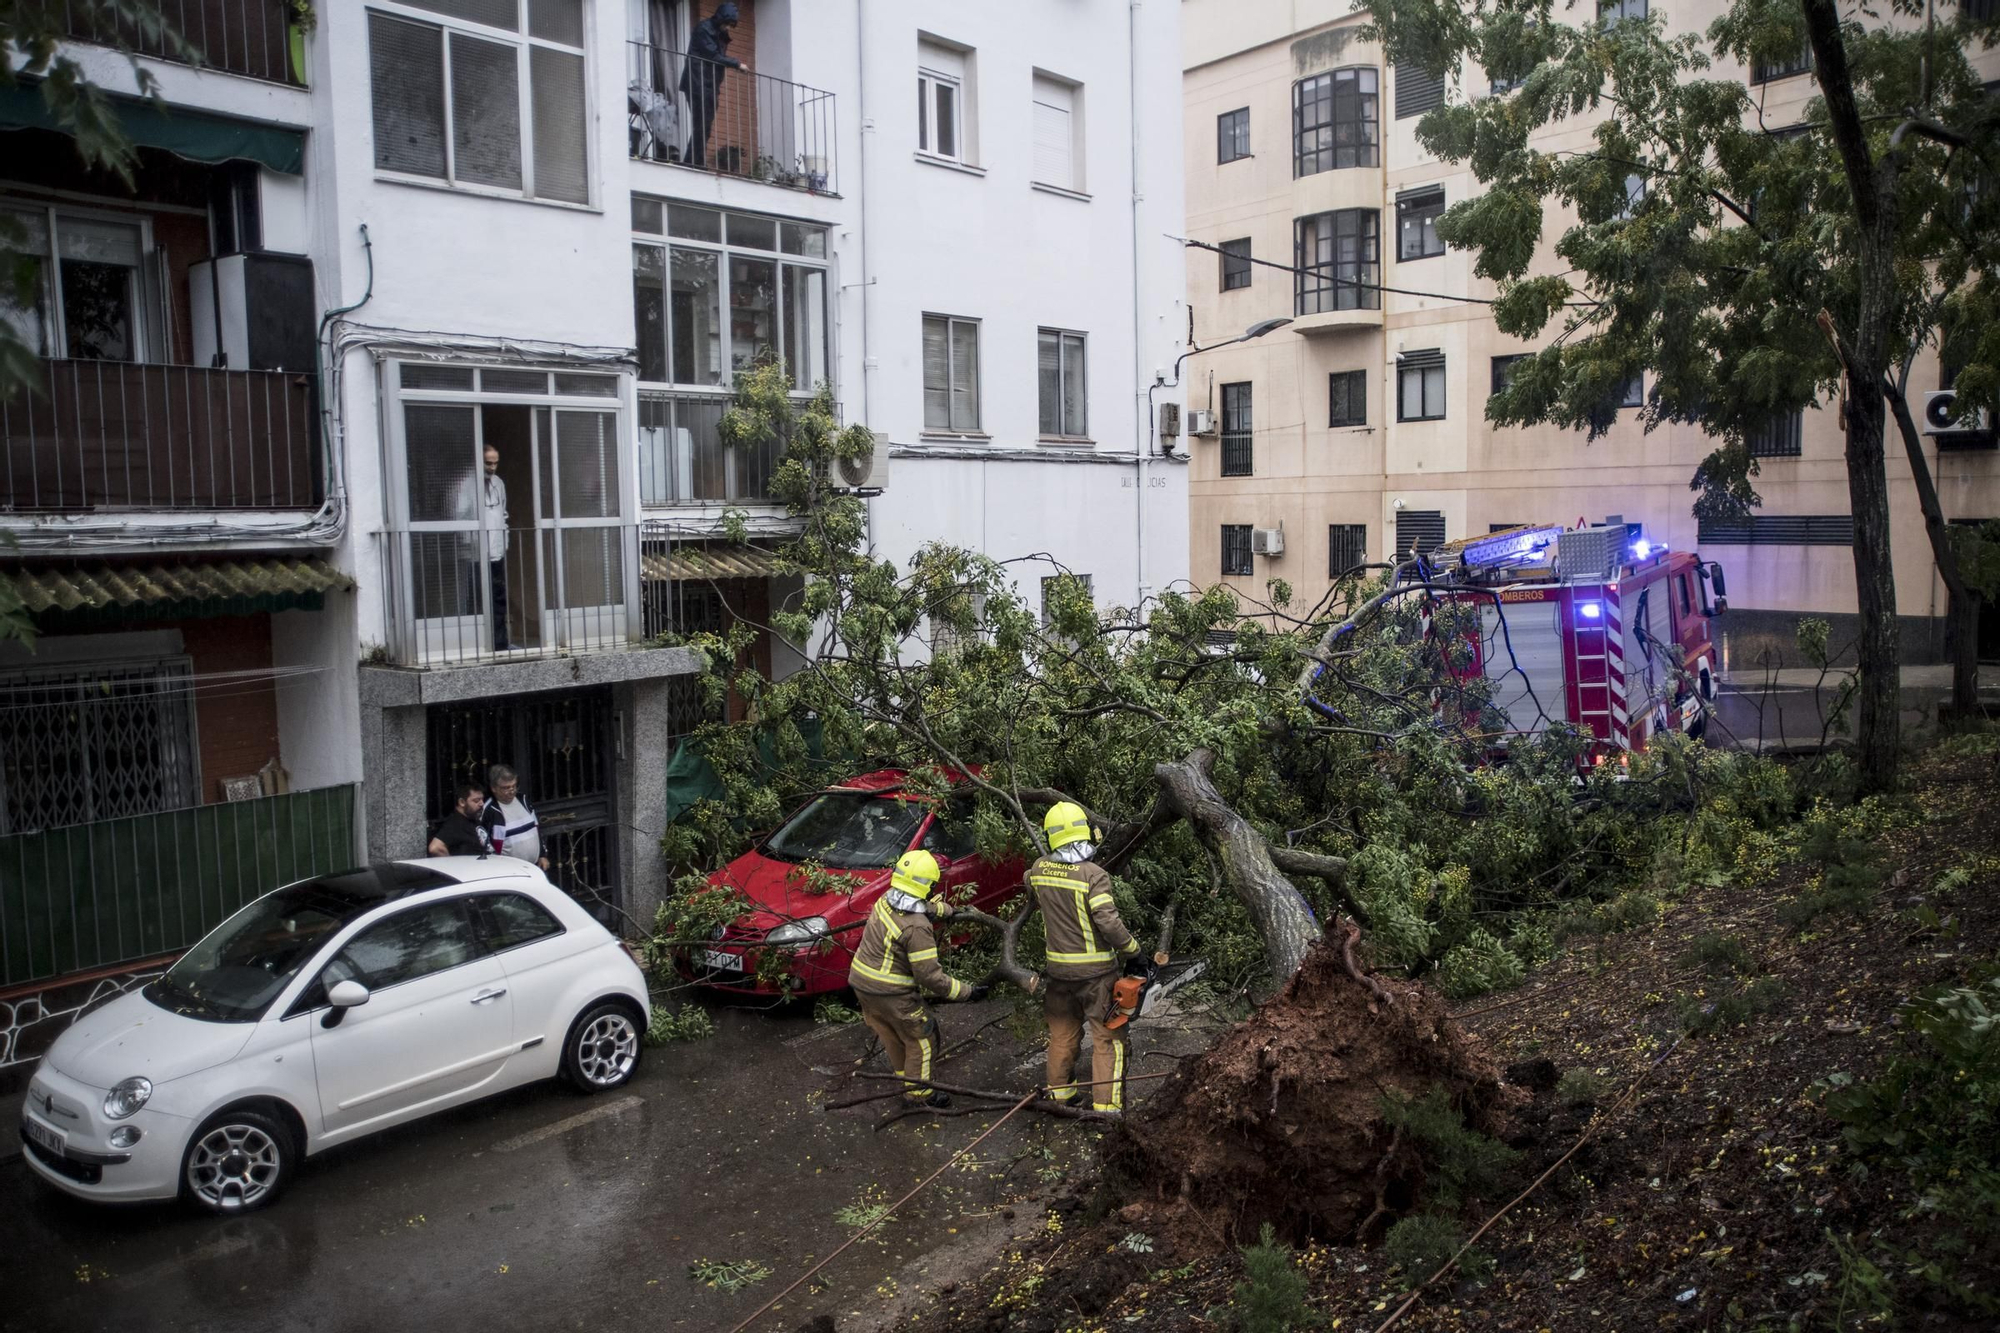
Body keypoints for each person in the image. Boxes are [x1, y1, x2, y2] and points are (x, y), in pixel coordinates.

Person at [847, 849, 988, 1106]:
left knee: (892, 1034)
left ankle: (906, 1079)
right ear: (928, 884)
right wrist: (967, 992)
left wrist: (942, 910)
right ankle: (920, 1093)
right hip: (891, 992)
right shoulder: (917, 927)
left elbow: (917, 904)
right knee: (922, 1037)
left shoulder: (885, 900)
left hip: (861, 984)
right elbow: (930, 977)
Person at [1030, 802, 1140, 1113]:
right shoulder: (1094, 875)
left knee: (1062, 1034)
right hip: (1095, 974)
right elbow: (1107, 921)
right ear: (1086, 834)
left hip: (1058, 974)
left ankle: (1061, 1097)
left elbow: (1030, 879)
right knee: (1108, 1039)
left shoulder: (1038, 870)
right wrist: (1134, 950)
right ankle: (1107, 1109)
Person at [454, 445, 509, 650]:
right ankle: (477, 643)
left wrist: (504, 543)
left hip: (496, 551)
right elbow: (460, 516)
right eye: (488, 463)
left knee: (498, 597)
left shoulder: (498, 483)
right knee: (477, 598)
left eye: (495, 463)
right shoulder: (467, 484)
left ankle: (500, 643)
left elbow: (503, 513)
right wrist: (471, 544)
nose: (492, 467)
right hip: (476, 554)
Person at [679, 1, 742, 168]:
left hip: (708, 84)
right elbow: (712, 56)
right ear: (721, 19)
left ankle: (693, 161)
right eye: (727, 24)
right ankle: (694, 162)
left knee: (704, 125)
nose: (728, 28)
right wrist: (736, 64)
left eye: (731, 25)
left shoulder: (717, 33)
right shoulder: (704, 29)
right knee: (702, 124)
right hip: (697, 82)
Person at [485, 764, 550, 872]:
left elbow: (536, 829)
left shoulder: (523, 800)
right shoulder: (490, 811)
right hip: (511, 871)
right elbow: (487, 845)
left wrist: (542, 855)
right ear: (494, 788)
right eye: (505, 788)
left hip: (535, 866)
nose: (511, 791)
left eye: (514, 786)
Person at [428, 783, 494, 857]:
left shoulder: (473, 818)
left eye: (482, 799)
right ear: (462, 802)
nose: (482, 804)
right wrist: (452, 866)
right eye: (476, 800)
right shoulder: (455, 824)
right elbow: (435, 847)